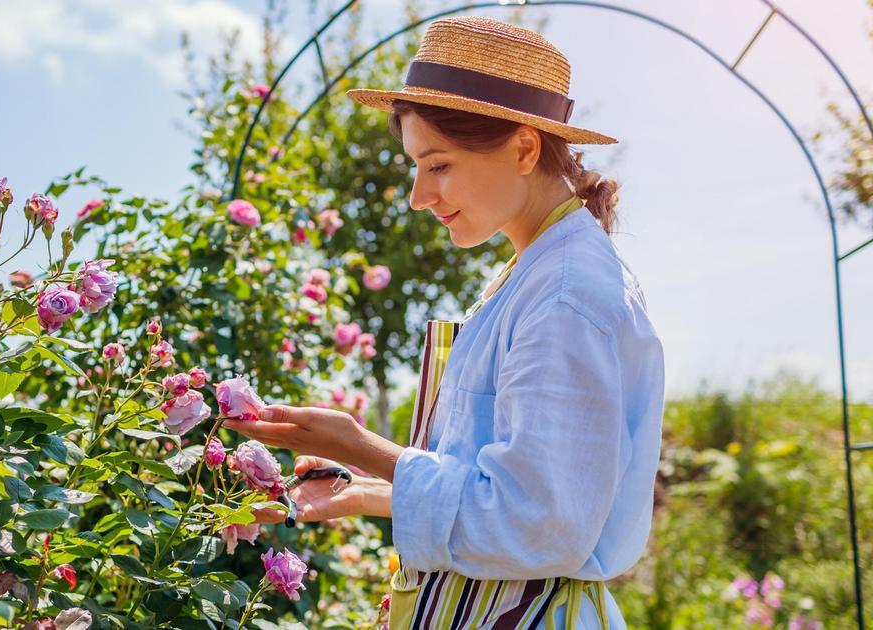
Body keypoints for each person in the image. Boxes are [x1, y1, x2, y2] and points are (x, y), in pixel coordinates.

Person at [224, 15, 664, 629]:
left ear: (524, 147)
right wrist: (366, 489)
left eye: (438, 165)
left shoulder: (565, 296)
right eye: (415, 167)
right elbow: (501, 489)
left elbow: (541, 521)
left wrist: (363, 446)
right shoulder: (536, 273)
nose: (418, 195)